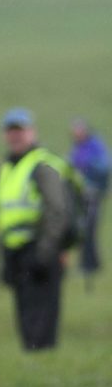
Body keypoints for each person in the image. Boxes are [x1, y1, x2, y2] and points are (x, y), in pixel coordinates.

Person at [0, 108, 69, 350]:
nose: (15, 136)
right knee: (26, 315)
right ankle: (33, 359)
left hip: (38, 250)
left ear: (32, 132)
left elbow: (57, 210)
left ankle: (43, 360)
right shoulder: (9, 167)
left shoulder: (41, 165)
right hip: (16, 252)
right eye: (10, 131)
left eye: (20, 130)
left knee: (41, 318)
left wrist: (45, 252)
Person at [69, 117, 110, 284]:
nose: (76, 134)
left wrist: (87, 164)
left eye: (78, 131)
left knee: (89, 229)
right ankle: (91, 263)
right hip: (81, 195)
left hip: (93, 194)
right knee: (85, 229)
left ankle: (89, 265)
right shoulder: (77, 147)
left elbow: (105, 165)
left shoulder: (95, 145)